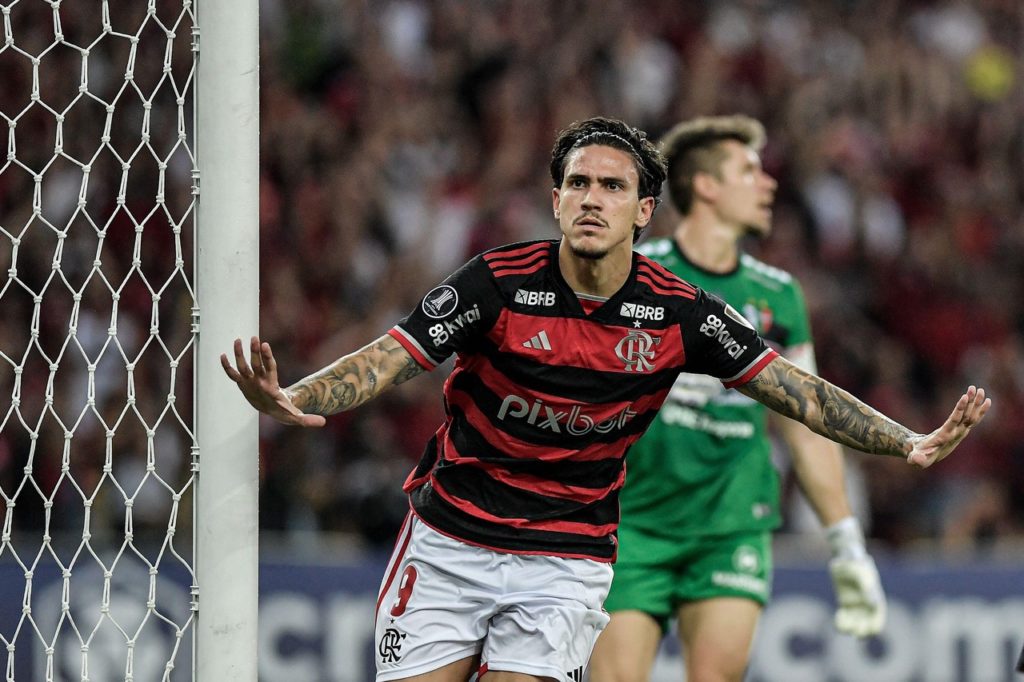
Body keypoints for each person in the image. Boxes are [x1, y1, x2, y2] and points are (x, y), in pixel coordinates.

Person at [221, 116, 990, 682]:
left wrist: (906, 441)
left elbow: (797, 393)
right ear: (556, 201)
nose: (592, 199)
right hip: (450, 541)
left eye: (612, 187)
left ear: (642, 210)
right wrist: (294, 394)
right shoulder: (498, 280)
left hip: (565, 557)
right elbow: (392, 357)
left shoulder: (680, 311)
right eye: (578, 184)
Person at [588, 115, 886, 682]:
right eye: (749, 170)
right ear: (706, 186)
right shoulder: (637, 278)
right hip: (633, 524)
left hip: (732, 526)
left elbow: (806, 421)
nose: (769, 183)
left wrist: (847, 541)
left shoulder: (779, 296)